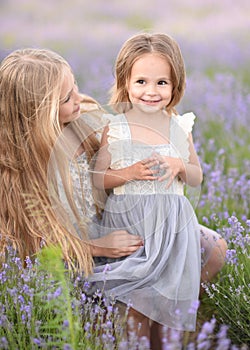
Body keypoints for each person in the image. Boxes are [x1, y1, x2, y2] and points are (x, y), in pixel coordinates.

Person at [89, 32, 226, 345]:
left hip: (172, 229)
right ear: (125, 82)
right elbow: (99, 177)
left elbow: (196, 176)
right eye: (141, 82)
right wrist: (129, 172)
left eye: (161, 83)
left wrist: (179, 166)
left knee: (168, 305)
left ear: (176, 85)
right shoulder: (117, 127)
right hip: (133, 226)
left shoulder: (179, 126)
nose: (151, 92)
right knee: (138, 303)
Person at [0, 48, 143, 273]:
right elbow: (35, 241)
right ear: (38, 112)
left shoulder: (83, 121)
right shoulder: (19, 167)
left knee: (211, 248)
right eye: (66, 98)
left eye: (74, 85)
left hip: (110, 228)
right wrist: (98, 247)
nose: (78, 98)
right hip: (74, 256)